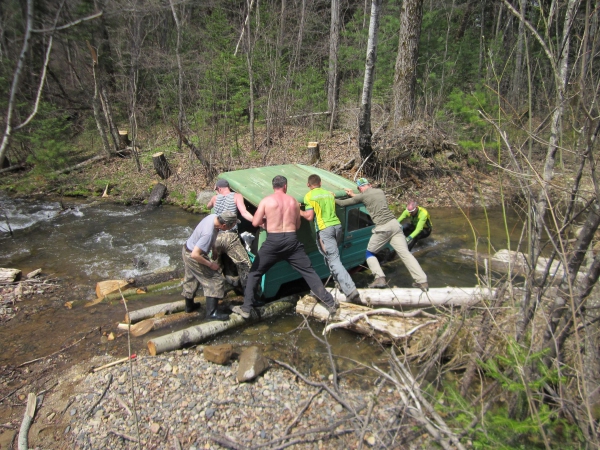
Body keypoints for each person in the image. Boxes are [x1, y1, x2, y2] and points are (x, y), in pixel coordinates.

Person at [232, 175, 338, 319]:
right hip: (291, 241)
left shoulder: (266, 201)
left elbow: (256, 222)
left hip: (273, 242)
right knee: (309, 272)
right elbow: (298, 225)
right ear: (285, 186)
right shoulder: (293, 201)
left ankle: (246, 308)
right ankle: (331, 303)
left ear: (273, 186)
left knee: (255, 273)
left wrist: (269, 221)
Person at [335, 178, 429, 291]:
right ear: (369, 185)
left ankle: (379, 278)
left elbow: (342, 203)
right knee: (406, 254)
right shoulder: (379, 191)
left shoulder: (362, 196)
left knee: (369, 253)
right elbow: (367, 198)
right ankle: (422, 281)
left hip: (383, 228)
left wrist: (331, 196)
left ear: (360, 188)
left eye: (359, 189)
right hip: (395, 225)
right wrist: (354, 195)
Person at [300, 174, 361, 303]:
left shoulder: (309, 196)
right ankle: (339, 282)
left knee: (333, 259)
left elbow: (309, 217)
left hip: (325, 229)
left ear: (308, 185)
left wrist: (297, 209)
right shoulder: (328, 194)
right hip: (337, 227)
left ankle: (350, 290)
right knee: (330, 257)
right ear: (320, 183)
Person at [182, 210, 241, 320]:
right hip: (193, 255)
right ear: (224, 225)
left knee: (191, 278)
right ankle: (212, 314)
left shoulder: (214, 217)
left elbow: (215, 232)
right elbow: (195, 255)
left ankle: (189, 306)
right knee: (216, 280)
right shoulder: (208, 234)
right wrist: (210, 264)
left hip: (187, 248)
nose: (231, 228)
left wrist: (213, 248)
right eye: (231, 226)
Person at [206, 179, 253, 289]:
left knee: (214, 266)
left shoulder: (214, 198)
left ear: (219, 189)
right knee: (245, 264)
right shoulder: (237, 196)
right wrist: (257, 220)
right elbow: (244, 213)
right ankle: (248, 293)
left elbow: (208, 206)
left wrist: (216, 196)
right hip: (230, 237)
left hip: (216, 237)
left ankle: (214, 292)